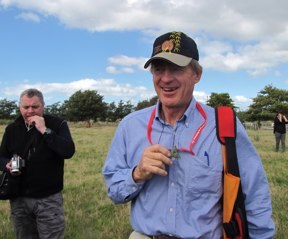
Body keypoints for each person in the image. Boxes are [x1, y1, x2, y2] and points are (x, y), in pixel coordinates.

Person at [102, 31, 275, 238]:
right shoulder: (130, 126)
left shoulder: (223, 126)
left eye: (176, 68)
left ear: (197, 74)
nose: (166, 78)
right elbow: (114, 191)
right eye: (159, 69)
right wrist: (137, 174)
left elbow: (255, 194)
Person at [0, 88, 75, 239]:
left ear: (43, 105)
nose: (30, 111)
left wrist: (44, 130)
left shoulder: (57, 124)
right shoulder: (12, 129)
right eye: (26, 107)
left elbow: (68, 151)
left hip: (48, 198)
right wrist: (7, 164)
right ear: (20, 107)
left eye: (35, 107)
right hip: (19, 198)